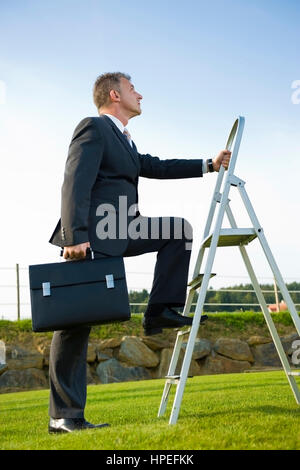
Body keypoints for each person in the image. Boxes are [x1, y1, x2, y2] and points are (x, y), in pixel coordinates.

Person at [48, 72, 231, 433]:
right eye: (134, 89)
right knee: (73, 326)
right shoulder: (94, 128)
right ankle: (64, 418)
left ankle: (160, 311)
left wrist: (208, 165)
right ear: (115, 94)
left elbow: (156, 166)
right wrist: (74, 235)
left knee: (178, 231)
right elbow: (74, 180)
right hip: (93, 234)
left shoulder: (125, 142)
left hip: (123, 228)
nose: (141, 95)